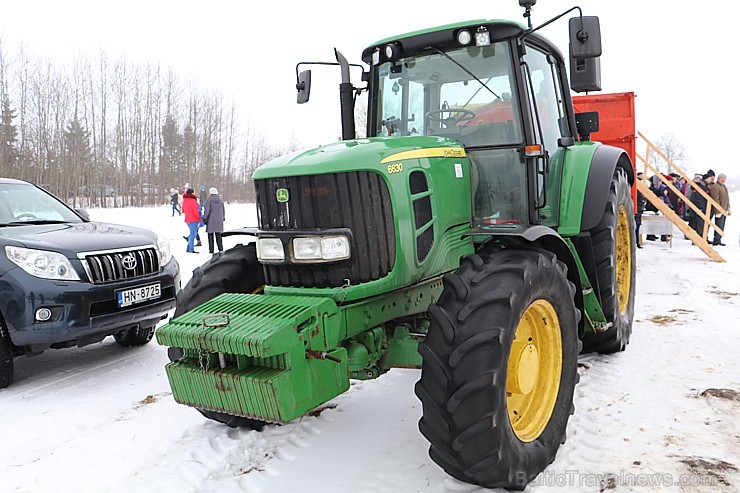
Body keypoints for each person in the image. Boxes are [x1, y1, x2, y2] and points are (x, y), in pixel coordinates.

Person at [689, 170, 714, 240]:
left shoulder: (705, 186)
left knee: (702, 224)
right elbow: (699, 198)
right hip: (701, 208)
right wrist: (700, 207)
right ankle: (700, 238)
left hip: (704, 208)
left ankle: (703, 237)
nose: (711, 180)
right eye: (710, 178)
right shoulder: (701, 187)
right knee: (700, 224)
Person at [708, 173, 731, 246]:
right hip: (718, 210)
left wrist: (728, 207)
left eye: (724, 178)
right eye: (722, 178)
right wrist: (718, 210)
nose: (723, 180)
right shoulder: (715, 186)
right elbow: (715, 199)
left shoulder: (724, 187)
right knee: (718, 225)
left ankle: (718, 239)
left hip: (724, 209)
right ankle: (716, 240)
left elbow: (726, 198)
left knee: (721, 225)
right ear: (718, 179)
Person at [203, 187, 225, 254]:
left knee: (210, 235)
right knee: (218, 235)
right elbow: (223, 210)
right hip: (219, 220)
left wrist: (205, 218)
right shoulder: (220, 200)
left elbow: (207, 210)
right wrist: (223, 218)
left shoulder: (209, 200)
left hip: (211, 220)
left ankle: (211, 250)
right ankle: (220, 249)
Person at [182, 188, 201, 253]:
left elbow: (183, 210)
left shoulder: (185, 201)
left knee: (193, 233)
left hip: (187, 219)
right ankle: (191, 249)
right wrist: (198, 218)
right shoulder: (193, 201)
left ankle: (189, 247)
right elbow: (196, 211)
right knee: (193, 234)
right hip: (194, 219)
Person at [635, 172, 646, 248]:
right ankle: (637, 242)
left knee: (637, 227)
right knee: (636, 227)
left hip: (639, 210)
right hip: (638, 210)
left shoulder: (638, 191)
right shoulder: (638, 191)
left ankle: (637, 242)